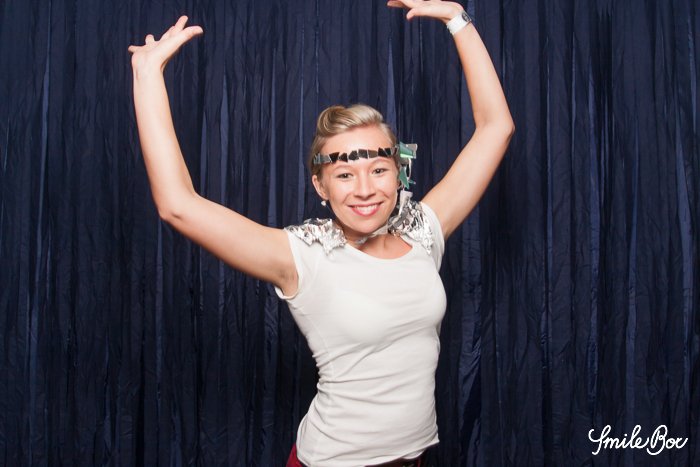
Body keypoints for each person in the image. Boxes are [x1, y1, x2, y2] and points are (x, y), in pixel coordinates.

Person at [128, 1, 513, 465]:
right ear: (321, 187)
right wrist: (147, 75)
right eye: (345, 175)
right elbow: (177, 205)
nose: (365, 189)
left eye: (378, 170)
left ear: (399, 174)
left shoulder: (424, 232)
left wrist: (456, 18)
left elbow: (496, 128)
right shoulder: (302, 256)